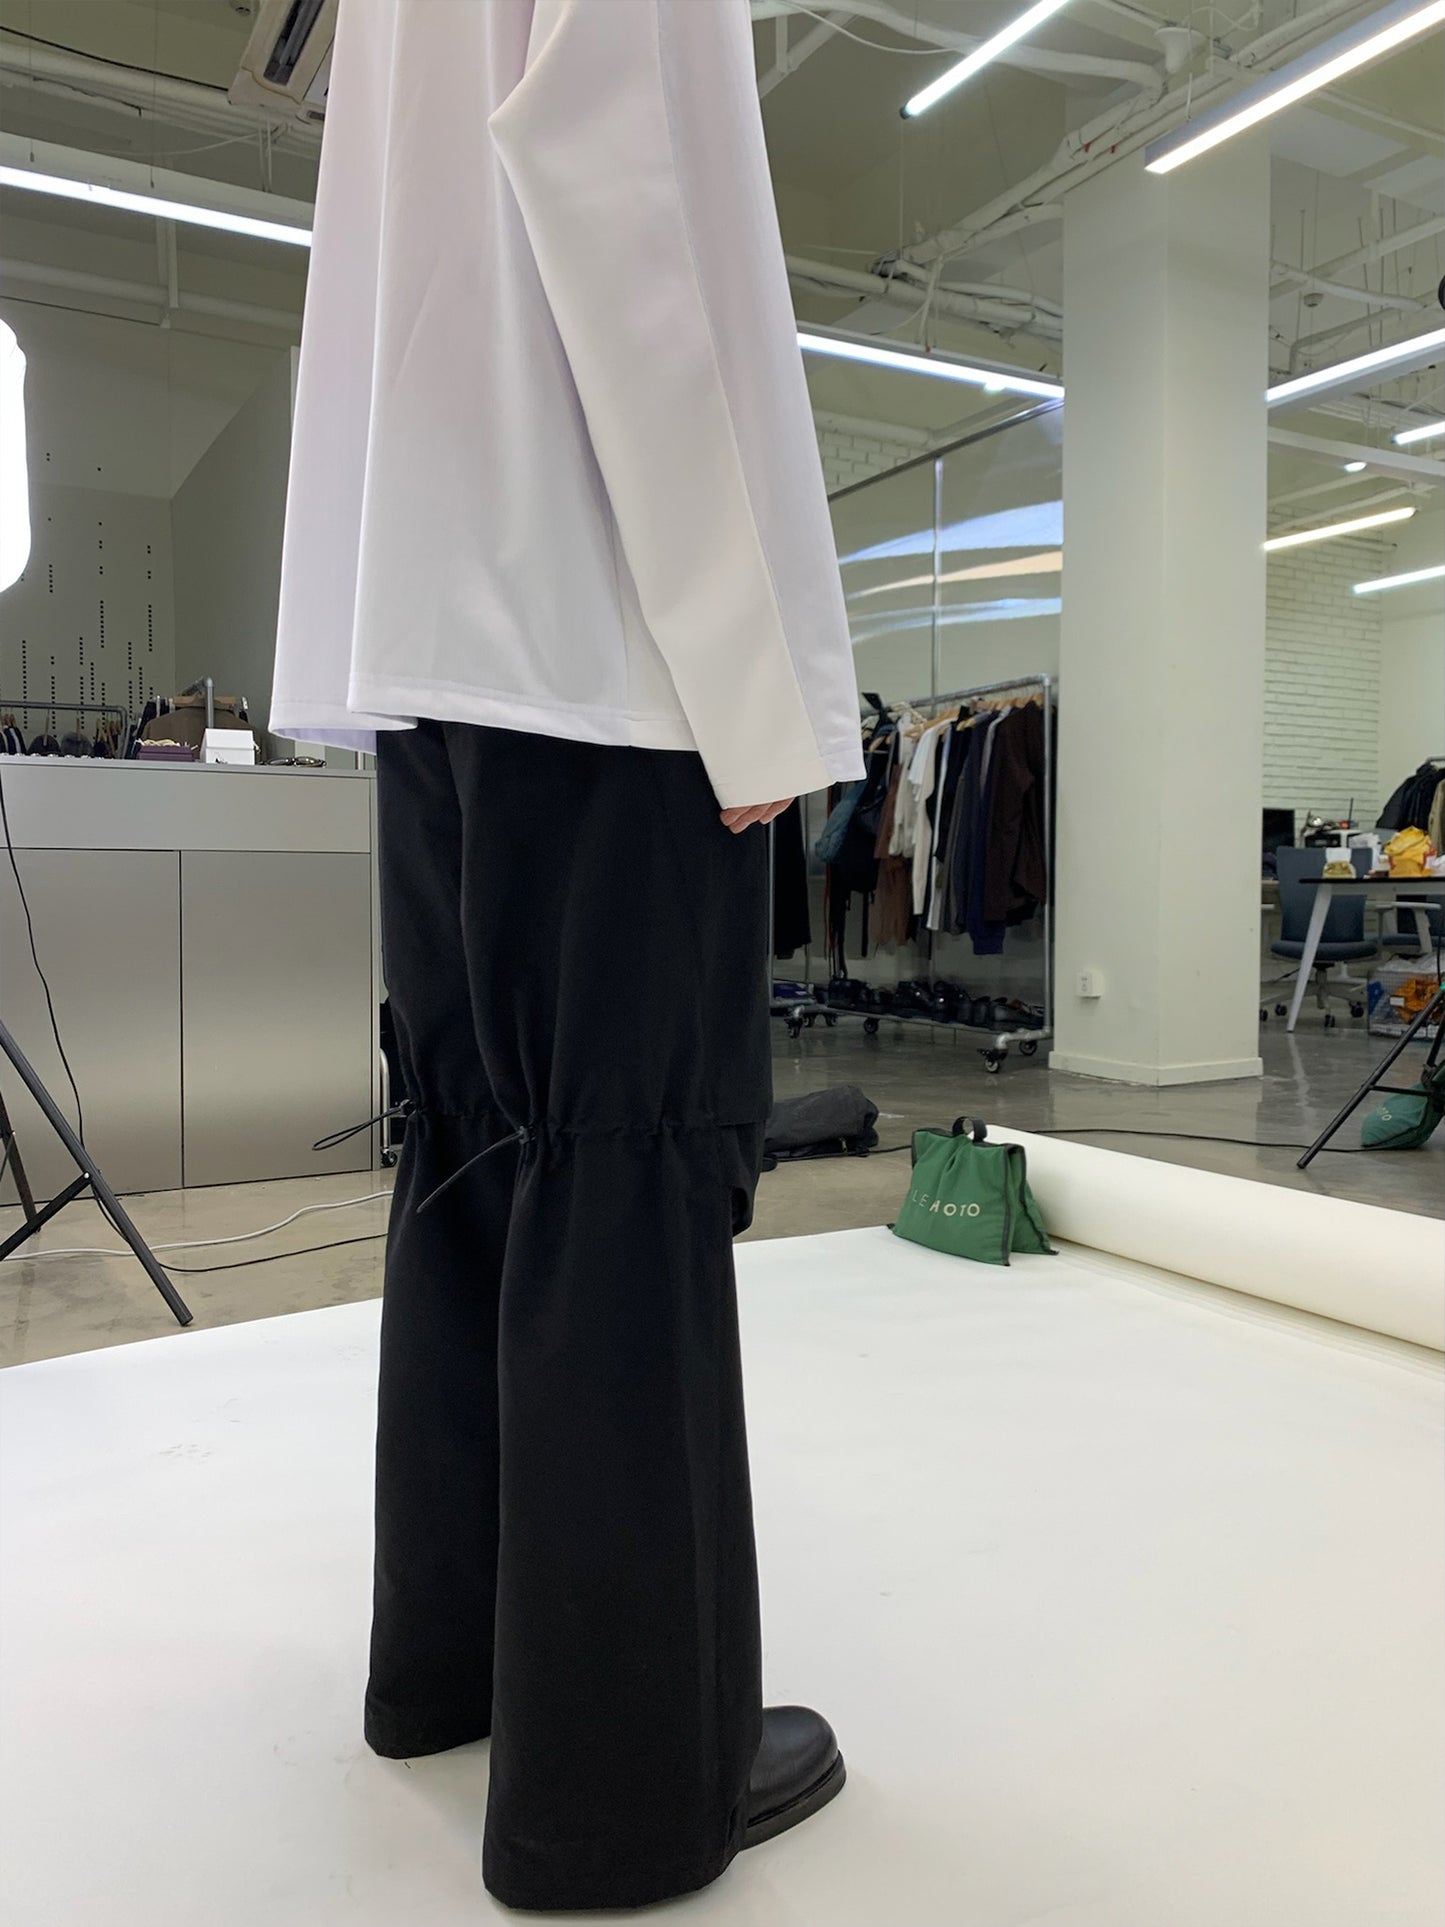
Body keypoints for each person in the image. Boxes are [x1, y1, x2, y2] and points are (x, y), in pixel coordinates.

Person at [271, 0, 863, 1909]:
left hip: (428, 609)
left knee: (476, 1135)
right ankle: (620, 1793)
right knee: (621, 1158)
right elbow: (627, 187)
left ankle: (450, 1669)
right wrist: (751, 662)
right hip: (605, 618)